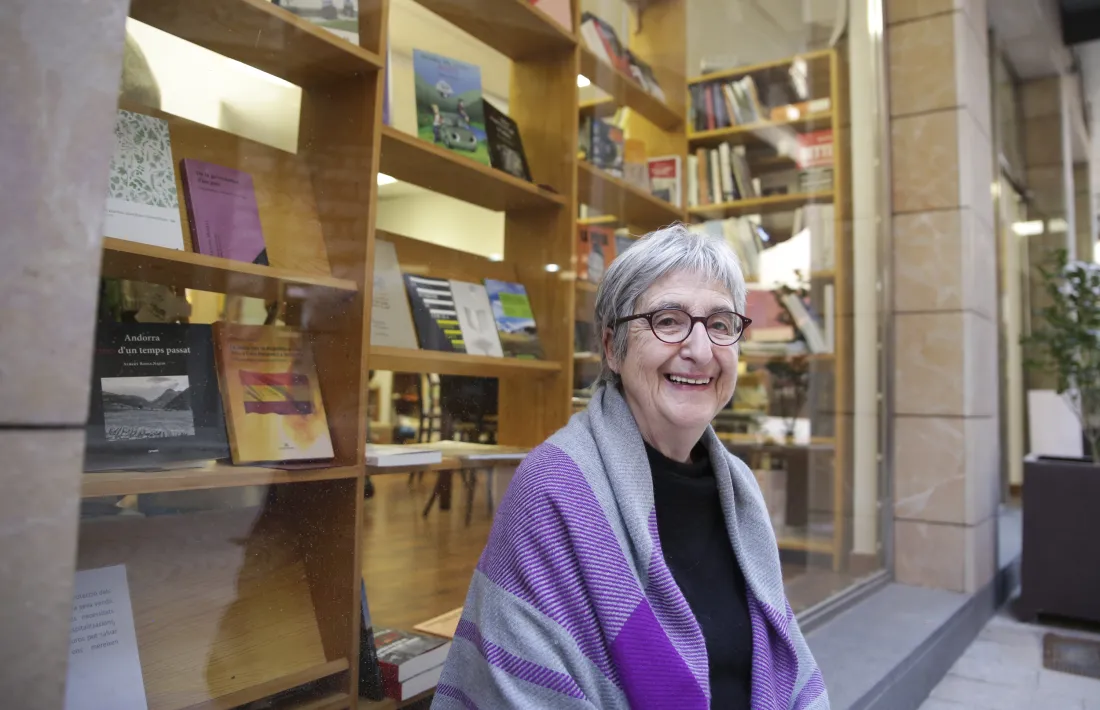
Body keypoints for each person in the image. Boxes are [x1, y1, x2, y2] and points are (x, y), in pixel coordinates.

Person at [433, 224, 828, 709]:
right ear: (611, 347)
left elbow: (777, 667)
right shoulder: (556, 488)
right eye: (668, 320)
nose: (700, 351)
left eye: (721, 325)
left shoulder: (739, 489)